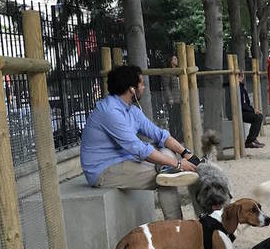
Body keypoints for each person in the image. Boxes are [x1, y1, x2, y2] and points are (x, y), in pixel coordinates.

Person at [80, 65, 199, 221]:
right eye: (141, 83)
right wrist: (177, 165)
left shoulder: (131, 110)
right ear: (131, 89)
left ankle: (177, 228)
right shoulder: (110, 112)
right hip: (103, 170)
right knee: (165, 177)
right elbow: (138, 149)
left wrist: (185, 153)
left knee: (166, 154)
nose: (143, 87)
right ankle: (177, 231)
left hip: (123, 160)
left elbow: (160, 135)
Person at [239, 73, 265, 149]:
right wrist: (252, 111)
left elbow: (246, 103)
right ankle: (250, 140)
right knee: (257, 117)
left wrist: (253, 110)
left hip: (243, 110)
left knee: (259, 116)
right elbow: (242, 104)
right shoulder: (238, 88)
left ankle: (252, 139)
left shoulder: (241, 88)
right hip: (240, 112)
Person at [162, 54, 183, 140]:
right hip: (173, 100)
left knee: (179, 119)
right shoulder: (168, 72)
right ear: (170, 61)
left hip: (180, 99)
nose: (176, 60)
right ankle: (173, 136)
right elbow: (166, 86)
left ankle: (179, 136)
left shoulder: (178, 71)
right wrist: (170, 98)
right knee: (173, 119)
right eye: (174, 59)